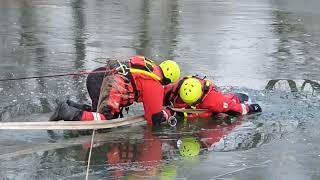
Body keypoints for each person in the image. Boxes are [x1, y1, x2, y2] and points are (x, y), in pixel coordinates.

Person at [49, 55, 181, 125]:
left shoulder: (148, 67)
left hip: (98, 77)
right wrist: (169, 112)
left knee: (97, 114)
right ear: (169, 80)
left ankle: (72, 106)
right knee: (105, 119)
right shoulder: (154, 84)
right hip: (107, 84)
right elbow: (154, 118)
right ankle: (66, 112)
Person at [164, 76, 262, 119]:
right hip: (185, 111)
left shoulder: (213, 100)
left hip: (220, 103)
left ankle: (240, 96)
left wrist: (250, 108)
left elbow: (235, 108)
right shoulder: (176, 88)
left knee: (231, 102)